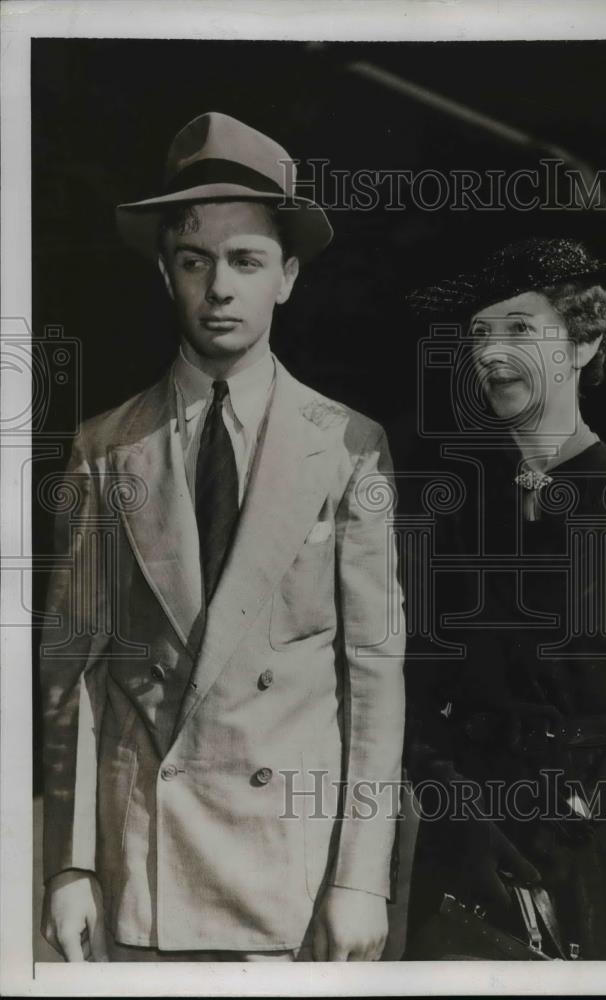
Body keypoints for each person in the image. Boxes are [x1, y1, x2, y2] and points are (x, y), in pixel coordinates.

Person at [40, 111, 405, 962]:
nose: (220, 288)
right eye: (195, 260)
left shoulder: (349, 446)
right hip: (144, 874)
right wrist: (68, 864)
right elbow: (71, 679)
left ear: (288, 276)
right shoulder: (104, 447)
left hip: (294, 874)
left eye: (246, 261)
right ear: (165, 272)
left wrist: (360, 877)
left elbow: (375, 680)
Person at [403, 237, 606, 960]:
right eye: (478, 335)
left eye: (518, 330)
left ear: (584, 342)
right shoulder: (452, 513)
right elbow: (408, 686)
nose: (490, 354)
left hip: (593, 852)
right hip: (467, 847)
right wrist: (460, 810)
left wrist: (594, 802)